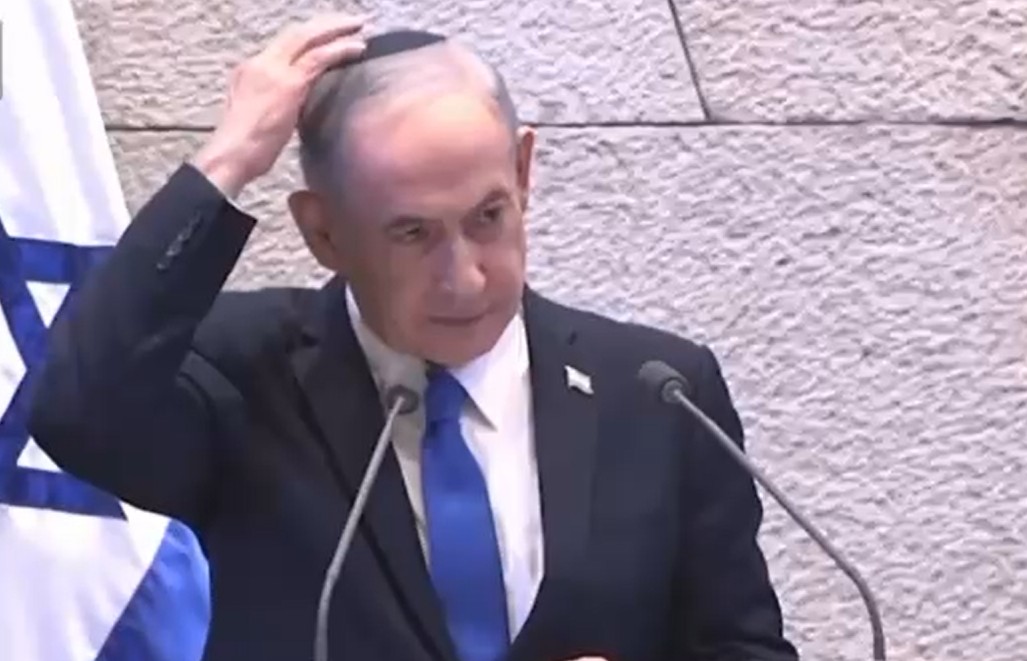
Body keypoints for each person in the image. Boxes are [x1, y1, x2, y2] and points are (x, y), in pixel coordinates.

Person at [28, 13, 798, 661]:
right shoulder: (246, 371)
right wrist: (227, 159)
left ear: (523, 171)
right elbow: (76, 412)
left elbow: (744, 647)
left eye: (487, 217)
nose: (464, 277)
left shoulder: (659, 391)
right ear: (323, 232)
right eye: (411, 234)